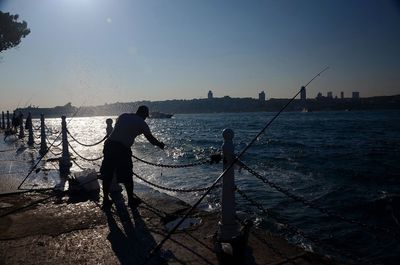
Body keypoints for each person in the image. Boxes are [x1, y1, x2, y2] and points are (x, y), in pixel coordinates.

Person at [100, 105, 165, 209]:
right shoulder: (142, 123)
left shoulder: (123, 116)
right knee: (127, 175)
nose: (145, 118)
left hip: (109, 145)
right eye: (145, 116)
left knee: (108, 173)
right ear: (144, 114)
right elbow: (151, 139)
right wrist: (160, 144)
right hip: (122, 149)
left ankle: (105, 200)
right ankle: (131, 200)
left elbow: (120, 128)